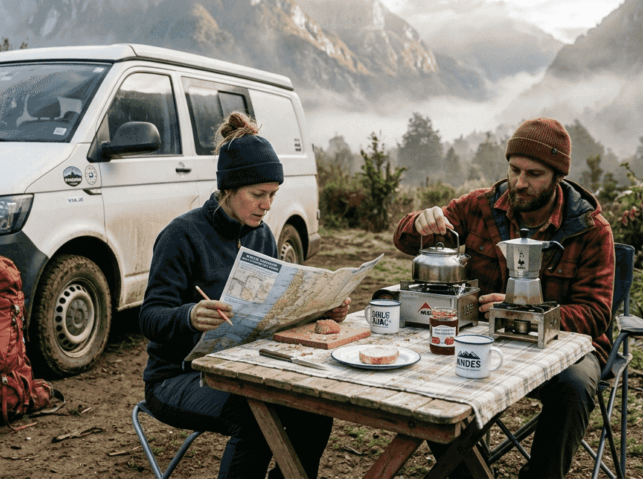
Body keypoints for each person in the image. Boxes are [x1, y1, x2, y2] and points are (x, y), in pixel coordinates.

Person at [393, 117, 614, 479]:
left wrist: (524, 313)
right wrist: (419, 223)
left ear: (558, 177)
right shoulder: (480, 205)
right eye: (514, 170)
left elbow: (595, 314)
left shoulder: (589, 228)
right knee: (430, 367)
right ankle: (468, 470)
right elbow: (405, 240)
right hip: (484, 338)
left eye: (534, 174)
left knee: (574, 386)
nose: (520, 182)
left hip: (561, 348)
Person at [139, 112, 350, 479]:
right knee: (259, 418)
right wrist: (188, 315)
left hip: (244, 369)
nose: (267, 205)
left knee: (314, 410)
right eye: (258, 195)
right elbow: (150, 317)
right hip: (178, 378)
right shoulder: (181, 236)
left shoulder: (262, 235)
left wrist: (321, 309)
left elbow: (272, 311)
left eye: (272, 195)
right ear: (229, 188)